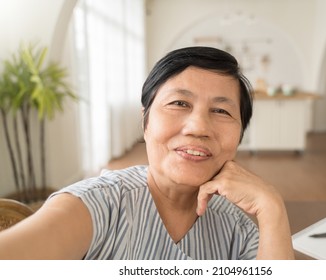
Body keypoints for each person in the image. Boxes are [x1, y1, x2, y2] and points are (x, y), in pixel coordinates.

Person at [0, 46, 294, 260]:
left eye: (220, 110)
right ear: (145, 120)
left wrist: (272, 210)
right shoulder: (97, 205)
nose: (198, 127)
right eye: (180, 103)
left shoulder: (237, 228)